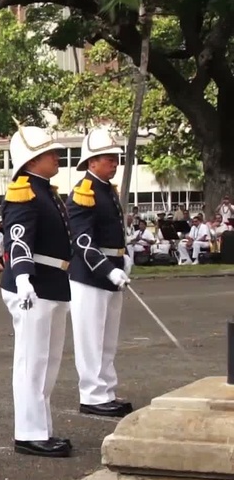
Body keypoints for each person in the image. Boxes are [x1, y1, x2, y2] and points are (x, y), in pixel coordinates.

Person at [0, 122, 74, 458]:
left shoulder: (46, 189)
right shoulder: (24, 189)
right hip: (33, 283)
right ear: (30, 161)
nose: (56, 156)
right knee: (32, 361)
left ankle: (41, 428)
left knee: (48, 361)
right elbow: (18, 238)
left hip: (52, 282)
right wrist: (23, 277)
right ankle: (29, 433)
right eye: (48, 153)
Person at [67, 128, 133, 418]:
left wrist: (124, 257)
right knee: (90, 338)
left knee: (107, 338)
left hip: (111, 271)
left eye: (114, 158)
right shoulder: (84, 192)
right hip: (91, 275)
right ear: (92, 162)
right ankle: (92, 395)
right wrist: (107, 269)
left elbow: (113, 231)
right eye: (108, 158)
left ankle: (106, 389)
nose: (114, 163)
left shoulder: (105, 189)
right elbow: (82, 240)